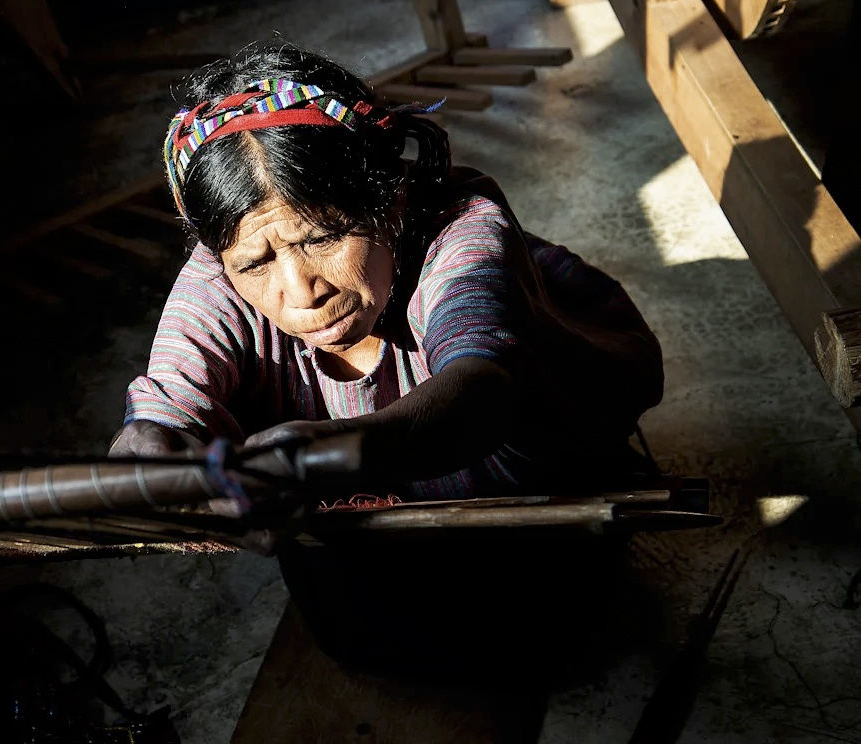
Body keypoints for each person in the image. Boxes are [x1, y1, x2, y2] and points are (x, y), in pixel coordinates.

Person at [108, 40, 664, 505]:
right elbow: (170, 401)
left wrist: (342, 452)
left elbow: (484, 388)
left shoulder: (460, 233)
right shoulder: (226, 269)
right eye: (257, 264)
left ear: (392, 200)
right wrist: (152, 436)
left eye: (323, 238)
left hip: (541, 521)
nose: (302, 291)